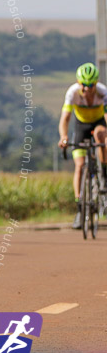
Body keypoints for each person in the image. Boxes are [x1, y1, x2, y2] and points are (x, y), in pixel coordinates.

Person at [57, 62, 107, 229]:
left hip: (99, 123)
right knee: (79, 166)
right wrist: (64, 137)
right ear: (79, 83)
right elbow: (65, 119)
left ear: (96, 83)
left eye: (91, 85)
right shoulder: (72, 93)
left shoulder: (103, 93)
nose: (87, 89)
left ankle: (103, 174)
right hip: (81, 126)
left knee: (101, 135)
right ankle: (80, 206)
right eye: (83, 85)